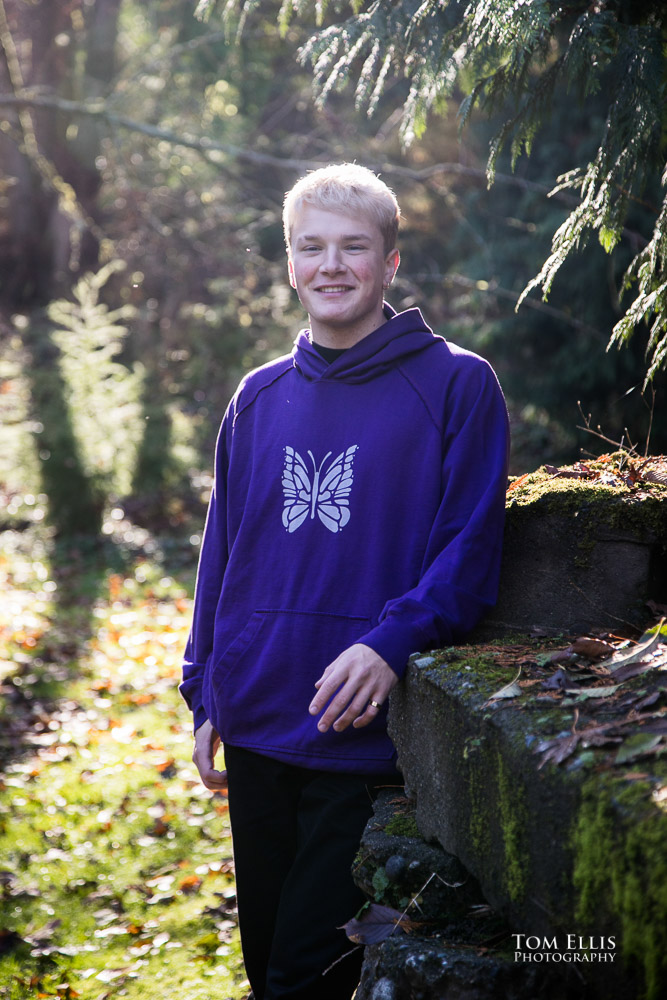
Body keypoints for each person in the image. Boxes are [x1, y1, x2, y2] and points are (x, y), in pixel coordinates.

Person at [180, 163, 510, 999]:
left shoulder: (455, 385)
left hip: (361, 733)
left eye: (352, 247)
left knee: (310, 973)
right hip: (256, 719)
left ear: (389, 262)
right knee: (268, 969)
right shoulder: (258, 397)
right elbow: (222, 554)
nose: (330, 266)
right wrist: (204, 692)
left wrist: (389, 641)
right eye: (311, 247)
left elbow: (468, 555)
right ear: (289, 262)